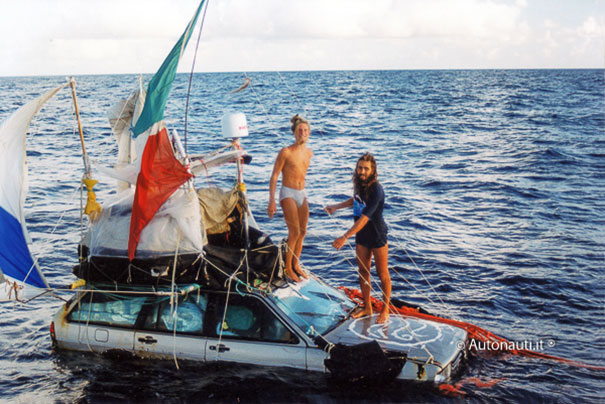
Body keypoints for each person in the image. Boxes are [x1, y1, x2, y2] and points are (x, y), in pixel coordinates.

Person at [324, 153, 391, 323]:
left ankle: (385, 310)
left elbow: (364, 218)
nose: (362, 171)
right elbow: (355, 200)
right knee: (363, 272)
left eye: (366, 169)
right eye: (360, 168)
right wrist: (336, 207)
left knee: (382, 273)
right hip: (361, 235)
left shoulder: (377, 189)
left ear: (373, 170)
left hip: (377, 235)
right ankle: (367, 307)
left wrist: (345, 236)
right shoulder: (359, 184)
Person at [268, 114, 313, 282]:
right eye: (300, 130)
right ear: (294, 132)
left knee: (302, 231)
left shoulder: (309, 153)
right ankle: (288, 269)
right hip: (287, 192)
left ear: (309, 133)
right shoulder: (286, 152)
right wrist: (272, 200)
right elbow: (274, 176)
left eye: (306, 130)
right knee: (293, 232)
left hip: (302, 193)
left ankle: (296, 264)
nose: (303, 133)